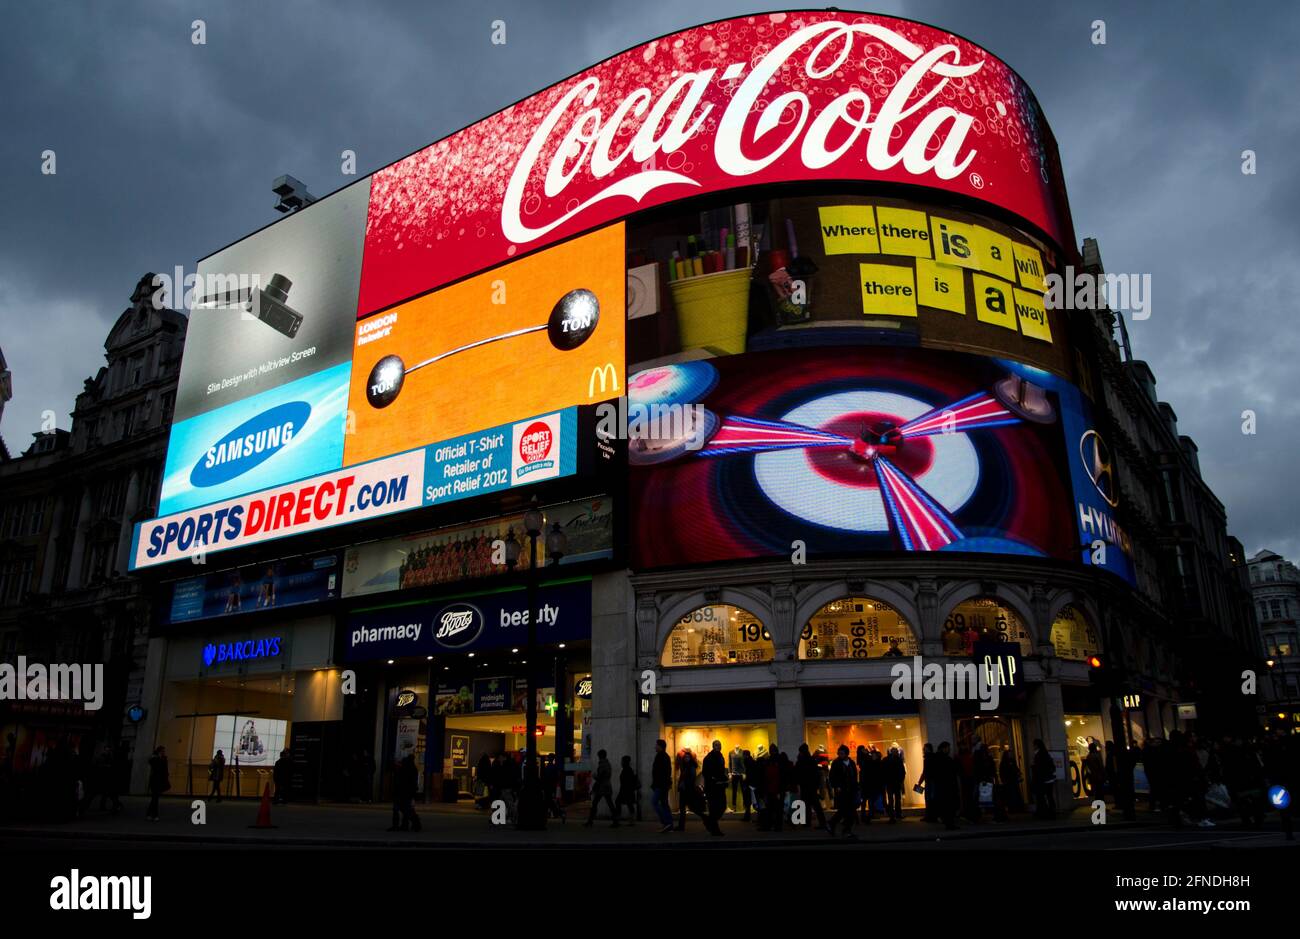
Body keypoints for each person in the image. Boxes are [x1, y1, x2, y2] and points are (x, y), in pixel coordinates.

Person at [827, 745, 859, 838]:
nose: (840, 755)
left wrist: (856, 787)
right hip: (842, 790)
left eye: (842, 753)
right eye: (839, 753)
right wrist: (836, 786)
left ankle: (841, 828)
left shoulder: (851, 763)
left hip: (851, 790)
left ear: (846, 753)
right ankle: (837, 826)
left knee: (850, 811)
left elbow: (854, 776)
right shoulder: (836, 763)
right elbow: (832, 776)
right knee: (844, 810)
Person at [795, 743, 827, 830]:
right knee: (816, 806)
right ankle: (822, 822)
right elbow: (816, 774)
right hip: (812, 787)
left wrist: (799, 783)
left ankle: (807, 822)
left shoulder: (800, 761)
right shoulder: (812, 760)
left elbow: (797, 774)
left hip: (805, 786)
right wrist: (816, 785)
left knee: (806, 805)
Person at [929, 742, 960, 830]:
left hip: (941, 785)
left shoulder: (936, 758)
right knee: (949, 805)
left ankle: (947, 822)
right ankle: (950, 823)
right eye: (948, 748)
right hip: (947, 786)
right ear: (944, 748)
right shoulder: (946, 759)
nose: (949, 750)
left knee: (945, 805)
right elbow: (953, 771)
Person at [388, 754, 421, 832]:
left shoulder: (402, 769)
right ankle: (407, 825)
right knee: (406, 810)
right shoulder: (413, 769)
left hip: (401, 792)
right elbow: (413, 783)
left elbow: (399, 782)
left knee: (398, 809)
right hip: (407, 793)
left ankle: (398, 825)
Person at [585, 749, 618, 827]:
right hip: (606, 786)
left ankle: (590, 821)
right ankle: (615, 820)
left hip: (602, 787)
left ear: (601, 756)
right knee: (609, 804)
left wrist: (595, 776)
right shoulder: (607, 764)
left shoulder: (603, 764)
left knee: (595, 803)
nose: (598, 757)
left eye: (599, 756)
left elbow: (601, 777)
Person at [702, 741, 728, 835]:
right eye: (717, 745)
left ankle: (709, 821)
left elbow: (721, 770)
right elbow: (705, 773)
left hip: (719, 786)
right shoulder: (709, 758)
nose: (719, 746)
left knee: (722, 806)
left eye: (720, 745)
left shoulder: (720, 757)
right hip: (712, 787)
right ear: (713, 746)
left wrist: (724, 778)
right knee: (714, 809)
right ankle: (715, 830)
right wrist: (714, 779)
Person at [650, 739, 674, 832]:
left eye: (656, 745)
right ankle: (669, 825)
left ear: (660, 746)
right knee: (664, 804)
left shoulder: (662, 757)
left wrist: (658, 784)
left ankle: (666, 822)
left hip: (661, 785)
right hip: (662, 785)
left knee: (654, 802)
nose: (655, 747)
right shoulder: (662, 756)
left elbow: (662, 773)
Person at [1031, 738, 1057, 819]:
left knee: (1041, 796)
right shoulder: (1046, 754)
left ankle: (1044, 812)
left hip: (1042, 779)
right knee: (1049, 795)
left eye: (1034, 745)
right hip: (1048, 778)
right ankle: (1051, 812)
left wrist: (1034, 768)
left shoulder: (1039, 755)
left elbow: (1039, 768)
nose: (1033, 746)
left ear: (1037, 745)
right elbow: (1052, 766)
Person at [882, 745, 906, 821]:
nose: (895, 752)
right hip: (895, 782)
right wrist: (901, 780)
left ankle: (892, 815)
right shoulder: (898, 760)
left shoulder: (886, 760)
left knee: (892, 799)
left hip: (890, 782)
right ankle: (896, 814)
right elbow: (902, 771)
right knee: (896, 798)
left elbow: (883, 771)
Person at [146, 746, 169, 821]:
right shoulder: (155, 759)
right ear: (159, 751)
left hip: (158, 780)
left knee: (155, 798)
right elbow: (154, 765)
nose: (163, 752)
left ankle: (151, 814)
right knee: (155, 798)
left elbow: (165, 769)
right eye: (162, 751)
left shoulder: (163, 758)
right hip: (155, 781)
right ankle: (154, 815)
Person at [615, 755, 641, 823]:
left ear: (624, 762)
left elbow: (627, 781)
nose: (621, 762)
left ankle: (620, 817)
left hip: (626, 790)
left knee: (620, 802)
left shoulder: (627, 770)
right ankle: (630, 819)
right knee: (629, 804)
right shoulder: (628, 769)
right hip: (627, 790)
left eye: (622, 761)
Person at [918, 742, 934, 821]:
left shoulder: (927, 758)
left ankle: (930, 816)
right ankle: (931, 816)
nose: (923, 749)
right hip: (931, 781)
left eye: (924, 748)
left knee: (929, 798)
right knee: (930, 798)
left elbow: (925, 771)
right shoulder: (931, 757)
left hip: (930, 781)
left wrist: (920, 781)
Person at [728, 745, 745, 813]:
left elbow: (744, 763)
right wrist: (729, 773)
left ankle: (745, 807)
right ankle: (734, 807)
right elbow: (729, 763)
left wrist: (744, 773)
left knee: (744, 791)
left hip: (741, 774)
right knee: (734, 791)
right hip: (734, 774)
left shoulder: (742, 752)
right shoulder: (731, 752)